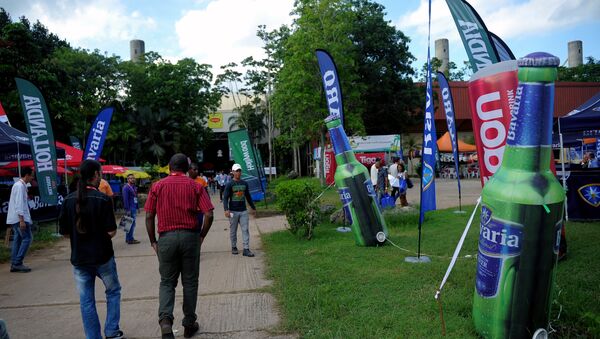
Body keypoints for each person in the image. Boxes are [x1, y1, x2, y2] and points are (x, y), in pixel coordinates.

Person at [145, 153, 214, 339]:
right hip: (190, 237)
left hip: (166, 238)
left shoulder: (157, 186)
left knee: (167, 282)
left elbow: (149, 216)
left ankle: (166, 322)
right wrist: (201, 236)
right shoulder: (196, 186)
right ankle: (189, 324)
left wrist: (153, 241)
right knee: (190, 282)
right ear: (187, 168)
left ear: (169, 167)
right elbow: (209, 214)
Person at [59, 160, 124, 339]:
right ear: (95, 175)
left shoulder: (68, 200)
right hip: (103, 257)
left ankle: (93, 336)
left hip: (79, 259)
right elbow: (111, 231)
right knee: (113, 291)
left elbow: (65, 233)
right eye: (100, 173)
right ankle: (111, 331)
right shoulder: (102, 199)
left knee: (86, 301)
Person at [223, 163, 257, 257]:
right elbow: (225, 198)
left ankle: (246, 249)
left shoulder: (244, 183)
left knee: (245, 230)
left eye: (239, 171)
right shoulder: (229, 184)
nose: (238, 172)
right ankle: (234, 247)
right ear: (233, 172)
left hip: (243, 211)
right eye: (236, 171)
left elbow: (248, 196)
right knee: (233, 230)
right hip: (233, 211)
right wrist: (226, 209)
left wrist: (253, 207)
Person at [7, 167, 35, 273]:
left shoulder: (20, 186)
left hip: (16, 218)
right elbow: (19, 204)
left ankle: (15, 263)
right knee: (27, 238)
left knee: (18, 240)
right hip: (19, 218)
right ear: (26, 175)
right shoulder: (19, 186)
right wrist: (22, 220)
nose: (32, 178)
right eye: (31, 175)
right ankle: (17, 263)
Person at [122, 174, 140, 244]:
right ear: (127, 179)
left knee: (129, 224)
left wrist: (137, 207)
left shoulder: (133, 187)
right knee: (130, 224)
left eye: (133, 178)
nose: (132, 179)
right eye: (130, 178)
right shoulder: (126, 187)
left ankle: (128, 238)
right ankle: (130, 239)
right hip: (130, 208)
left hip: (134, 207)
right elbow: (125, 199)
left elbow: (135, 198)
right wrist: (127, 209)